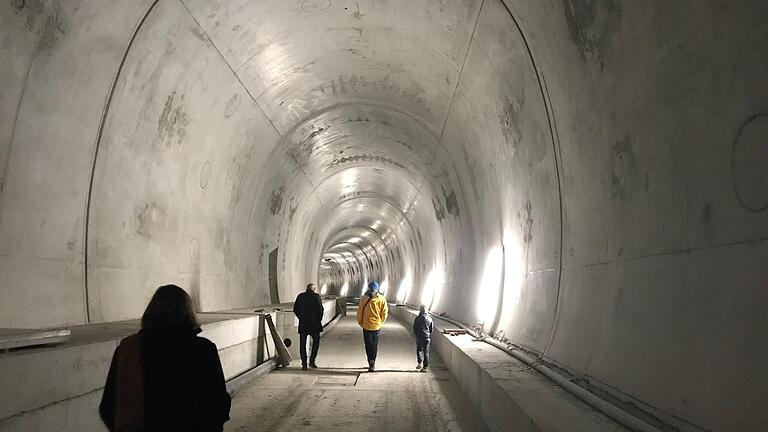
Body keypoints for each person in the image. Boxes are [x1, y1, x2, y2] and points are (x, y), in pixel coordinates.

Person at [99, 284, 231, 432]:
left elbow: (108, 406)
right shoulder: (203, 349)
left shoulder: (128, 348)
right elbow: (219, 403)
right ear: (188, 313)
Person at [356, 281, 388, 372]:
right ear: (377, 289)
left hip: (366, 326)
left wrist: (360, 322)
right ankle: (373, 361)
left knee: (368, 345)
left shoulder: (364, 298)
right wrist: (380, 322)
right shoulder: (382, 299)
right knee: (374, 345)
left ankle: (370, 361)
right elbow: (384, 313)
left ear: (369, 288)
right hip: (377, 326)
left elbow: (360, 311)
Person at [293, 282, 324, 371]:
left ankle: (304, 364)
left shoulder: (300, 296)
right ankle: (312, 361)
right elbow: (320, 310)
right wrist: (318, 319)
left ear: (306, 289)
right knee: (315, 343)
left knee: (302, 344)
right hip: (314, 325)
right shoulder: (316, 297)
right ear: (314, 289)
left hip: (303, 324)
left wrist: (301, 317)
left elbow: (295, 309)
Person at [412, 305, 433, 372]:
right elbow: (431, 329)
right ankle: (425, 367)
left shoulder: (417, 318)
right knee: (426, 352)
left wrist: (416, 334)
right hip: (427, 337)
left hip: (419, 336)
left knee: (419, 350)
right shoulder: (430, 319)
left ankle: (419, 363)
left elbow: (414, 328)